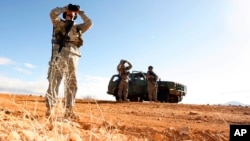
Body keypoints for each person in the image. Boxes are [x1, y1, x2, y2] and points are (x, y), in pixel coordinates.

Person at [45, 4, 92, 119]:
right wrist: (65, 8)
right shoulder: (58, 24)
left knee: (72, 82)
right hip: (59, 53)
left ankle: (69, 111)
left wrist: (80, 12)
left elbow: (89, 23)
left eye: (73, 14)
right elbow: (52, 13)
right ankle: (50, 109)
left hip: (73, 55)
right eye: (69, 13)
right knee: (55, 80)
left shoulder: (78, 27)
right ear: (65, 14)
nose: (71, 15)